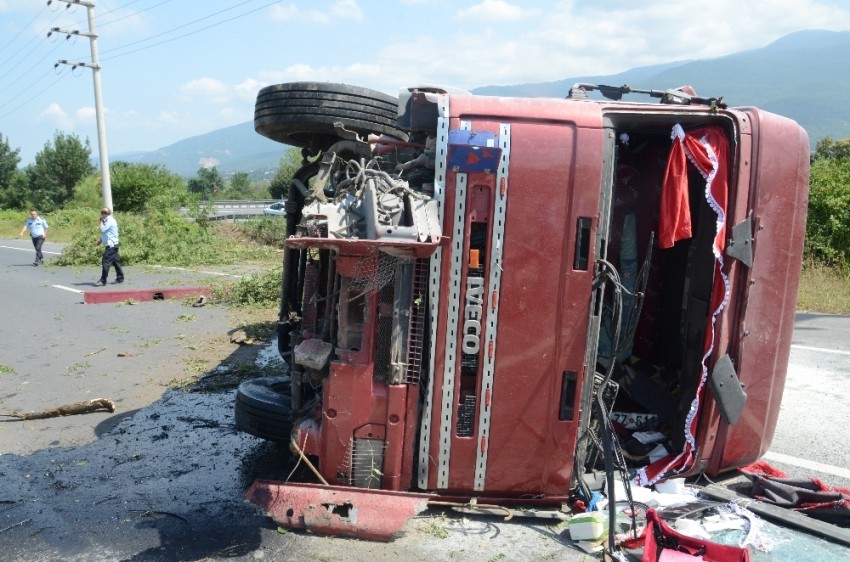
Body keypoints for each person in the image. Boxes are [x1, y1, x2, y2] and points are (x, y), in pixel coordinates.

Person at [96, 207, 124, 285]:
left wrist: (101, 221)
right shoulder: (108, 220)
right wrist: (100, 241)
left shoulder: (110, 220)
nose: (102, 215)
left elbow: (102, 230)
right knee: (116, 262)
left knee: (105, 261)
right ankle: (120, 278)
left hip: (111, 246)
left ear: (105, 214)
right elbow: (107, 234)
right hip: (113, 245)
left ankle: (103, 279)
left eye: (102, 213)